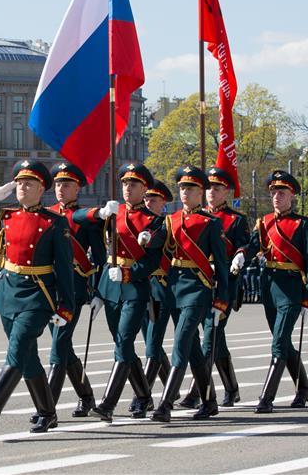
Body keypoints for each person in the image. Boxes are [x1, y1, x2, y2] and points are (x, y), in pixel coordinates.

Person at [0, 159, 74, 433]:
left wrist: (65, 307)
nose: (22, 186)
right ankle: (47, 413)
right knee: (27, 356)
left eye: (29, 183)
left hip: (38, 295)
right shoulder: (6, 217)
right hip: (8, 293)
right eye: (19, 182)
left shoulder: (54, 223)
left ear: (41, 188)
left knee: (18, 347)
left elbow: (65, 269)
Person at [73, 162, 163, 422]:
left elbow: (152, 261)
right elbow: (74, 218)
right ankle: (144, 397)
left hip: (135, 288)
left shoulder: (154, 221)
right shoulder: (114, 213)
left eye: (133, 184)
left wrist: (128, 273)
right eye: (124, 183)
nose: (127, 187)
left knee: (124, 341)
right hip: (110, 287)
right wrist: (99, 213)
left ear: (144, 188)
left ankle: (107, 404)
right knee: (122, 345)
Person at [147, 166, 230, 422]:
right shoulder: (170, 220)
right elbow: (157, 241)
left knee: (181, 343)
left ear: (200, 192)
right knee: (193, 348)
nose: (185, 192)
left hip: (198, 287)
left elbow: (223, 266)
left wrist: (222, 298)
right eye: (182, 188)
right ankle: (210, 401)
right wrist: (146, 238)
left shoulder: (210, 223)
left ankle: (165, 404)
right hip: (174, 287)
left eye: (191, 188)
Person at [233, 169, 308, 414]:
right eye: (273, 192)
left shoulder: (303, 224)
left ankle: (266, 398)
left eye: (282, 192)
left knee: (279, 343)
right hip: (269, 286)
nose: (276, 197)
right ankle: (304, 389)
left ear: (292, 195)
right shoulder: (265, 222)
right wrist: (241, 255)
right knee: (283, 341)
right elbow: (253, 246)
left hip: (292, 287)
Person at [34, 162, 104, 423]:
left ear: (78, 188)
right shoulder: (46, 213)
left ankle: (46, 409)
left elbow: (99, 259)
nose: (61, 189)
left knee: (58, 348)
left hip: (73, 290)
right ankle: (86, 396)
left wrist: (99, 291)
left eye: (67, 184)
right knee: (63, 348)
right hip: (47, 289)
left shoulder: (86, 219)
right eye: (59, 184)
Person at [178, 166, 247, 411]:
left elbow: (245, 245)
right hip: (197, 284)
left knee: (210, 337)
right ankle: (231, 388)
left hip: (222, 285)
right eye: (208, 188)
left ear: (226, 191)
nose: (211, 192)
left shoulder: (236, 220)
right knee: (216, 340)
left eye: (217, 188)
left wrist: (241, 255)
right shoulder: (195, 216)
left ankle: (195, 393)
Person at [136, 179, 174, 412]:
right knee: (151, 342)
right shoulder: (136, 222)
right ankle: (172, 382)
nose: (148, 202)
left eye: (154, 199)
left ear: (163, 203)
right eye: (146, 198)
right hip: (142, 286)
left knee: (153, 344)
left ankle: (143, 396)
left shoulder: (165, 224)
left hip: (161, 286)